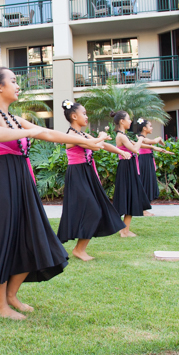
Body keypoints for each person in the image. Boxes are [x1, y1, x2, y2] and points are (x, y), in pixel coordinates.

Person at [0, 67, 104, 320]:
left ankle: (12, 296)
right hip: (1, 181)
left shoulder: (11, 117)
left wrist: (89, 142)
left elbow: (47, 133)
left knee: (31, 235)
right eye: (13, 81)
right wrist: (29, 131)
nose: (17, 85)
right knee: (2, 238)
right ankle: (0, 306)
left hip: (20, 180)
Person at [57, 100, 128, 261]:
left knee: (96, 210)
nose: (86, 116)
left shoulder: (82, 134)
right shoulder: (71, 136)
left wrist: (120, 151)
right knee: (93, 210)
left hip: (87, 173)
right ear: (74, 116)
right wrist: (101, 136)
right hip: (77, 174)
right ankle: (78, 249)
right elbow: (95, 145)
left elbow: (101, 145)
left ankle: (79, 249)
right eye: (84, 113)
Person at [111, 110, 151, 237]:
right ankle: (124, 231)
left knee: (132, 196)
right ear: (122, 121)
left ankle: (125, 229)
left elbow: (137, 146)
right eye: (128, 119)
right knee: (130, 196)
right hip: (126, 167)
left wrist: (155, 147)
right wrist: (141, 138)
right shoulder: (121, 136)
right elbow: (135, 149)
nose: (130, 121)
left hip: (129, 167)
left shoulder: (123, 135)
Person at [131, 118, 174, 217]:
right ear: (145, 128)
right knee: (145, 183)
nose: (152, 128)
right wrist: (159, 139)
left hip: (148, 160)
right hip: (144, 161)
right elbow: (154, 141)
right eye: (150, 126)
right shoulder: (143, 138)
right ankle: (143, 209)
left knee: (148, 183)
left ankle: (145, 208)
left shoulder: (144, 138)